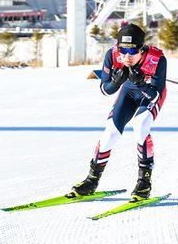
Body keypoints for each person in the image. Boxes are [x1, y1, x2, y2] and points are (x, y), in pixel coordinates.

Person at [69, 23, 167, 201]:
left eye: (132, 52)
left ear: (142, 50)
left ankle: (144, 182)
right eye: (123, 50)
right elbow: (105, 90)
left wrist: (141, 83)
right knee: (110, 133)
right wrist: (116, 82)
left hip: (149, 93)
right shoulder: (112, 55)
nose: (126, 57)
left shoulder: (157, 59)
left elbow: (154, 97)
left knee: (140, 126)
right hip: (128, 92)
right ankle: (92, 180)